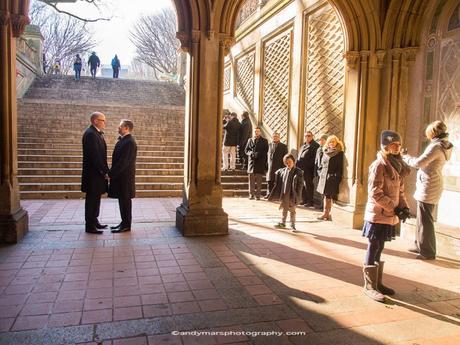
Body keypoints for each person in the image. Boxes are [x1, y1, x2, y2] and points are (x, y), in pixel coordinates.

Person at [362, 130, 411, 302]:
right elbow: (375, 193)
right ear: (385, 146)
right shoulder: (379, 165)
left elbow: (401, 191)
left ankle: (378, 282)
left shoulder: (397, 164)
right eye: (393, 145)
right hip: (377, 214)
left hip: (389, 213)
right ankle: (369, 285)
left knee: (380, 246)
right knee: (373, 245)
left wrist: (404, 207)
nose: (397, 148)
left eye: (399, 145)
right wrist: (395, 207)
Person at [403, 120, 453, 260]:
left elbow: (419, 163)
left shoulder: (436, 147)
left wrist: (405, 157)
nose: (428, 136)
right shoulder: (442, 145)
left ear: (433, 133)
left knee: (426, 220)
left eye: (428, 133)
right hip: (430, 184)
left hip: (429, 186)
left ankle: (428, 251)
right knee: (421, 217)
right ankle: (419, 244)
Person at [81, 112, 109, 234]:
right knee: (92, 200)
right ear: (95, 121)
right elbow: (95, 156)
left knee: (96, 199)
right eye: (103, 120)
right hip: (93, 175)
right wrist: (105, 171)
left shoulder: (96, 133)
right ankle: (89, 225)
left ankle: (95, 220)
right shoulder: (91, 134)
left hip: (97, 175)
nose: (105, 123)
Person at [109, 120, 138, 233]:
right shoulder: (125, 140)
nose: (118, 128)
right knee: (122, 201)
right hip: (121, 177)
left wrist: (110, 173)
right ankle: (124, 222)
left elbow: (123, 162)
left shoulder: (129, 142)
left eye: (120, 126)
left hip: (125, 178)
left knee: (125, 201)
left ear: (126, 128)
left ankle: (126, 225)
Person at [268, 154, 304, 231]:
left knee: (292, 210)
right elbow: (278, 175)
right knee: (284, 209)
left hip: (293, 194)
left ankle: (292, 224)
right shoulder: (283, 171)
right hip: (284, 193)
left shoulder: (298, 172)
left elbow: (300, 185)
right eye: (286, 162)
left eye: (290, 162)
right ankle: (283, 222)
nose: (288, 164)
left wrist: (298, 195)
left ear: (294, 162)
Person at [316, 135, 344, 220]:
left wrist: (335, 177)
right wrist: (320, 173)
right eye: (330, 142)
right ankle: (326, 213)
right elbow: (321, 165)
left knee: (331, 196)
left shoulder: (339, 153)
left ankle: (329, 213)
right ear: (328, 143)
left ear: (337, 143)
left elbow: (340, 167)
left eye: (333, 141)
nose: (332, 143)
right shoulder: (325, 152)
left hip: (332, 177)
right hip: (324, 177)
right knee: (326, 196)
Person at [296, 131, 320, 207]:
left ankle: (310, 201)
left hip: (309, 169)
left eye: (309, 136)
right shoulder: (303, 145)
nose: (307, 137)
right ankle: (304, 200)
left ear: (312, 136)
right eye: (306, 136)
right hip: (300, 168)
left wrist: (307, 166)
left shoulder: (315, 145)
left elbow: (315, 159)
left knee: (308, 185)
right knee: (302, 185)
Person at [245, 127, 268, 200]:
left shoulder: (264, 141)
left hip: (260, 163)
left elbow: (266, 151)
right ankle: (251, 195)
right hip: (251, 163)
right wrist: (251, 153)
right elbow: (246, 150)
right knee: (251, 181)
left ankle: (258, 195)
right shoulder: (250, 140)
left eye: (258, 131)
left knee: (259, 181)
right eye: (255, 131)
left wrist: (258, 154)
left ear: (260, 132)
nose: (256, 132)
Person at [265, 132, 288, 198]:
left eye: (277, 136)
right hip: (270, 167)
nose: (275, 137)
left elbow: (285, 157)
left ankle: (277, 195)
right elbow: (267, 155)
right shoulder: (269, 145)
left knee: (278, 182)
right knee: (269, 182)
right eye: (274, 136)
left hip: (279, 166)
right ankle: (269, 194)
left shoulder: (283, 146)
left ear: (279, 137)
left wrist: (283, 167)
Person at [313, 134, 328, 209]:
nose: (320, 141)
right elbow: (316, 160)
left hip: (325, 172)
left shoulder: (328, 149)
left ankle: (324, 206)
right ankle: (321, 204)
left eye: (322, 140)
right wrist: (315, 171)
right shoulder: (319, 149)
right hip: (319, 172)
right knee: (320, 189)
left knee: (325, 190)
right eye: (320, 140)